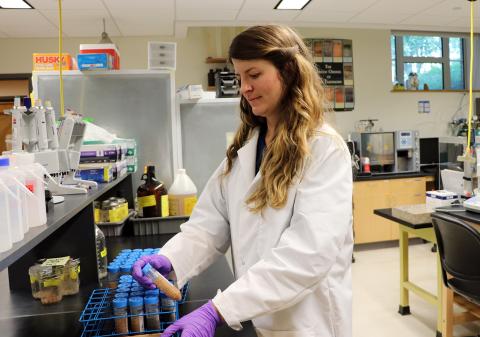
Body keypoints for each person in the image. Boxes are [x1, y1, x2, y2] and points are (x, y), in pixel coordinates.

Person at [132, 25, 353, 337]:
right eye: (240, 78)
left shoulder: (324, 149)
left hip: (307, 323)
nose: (245, 88)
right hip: (256, 314)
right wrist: (170, 259)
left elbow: (307, 255)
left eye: (254, 74)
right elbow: (208, 225)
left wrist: (217, 310)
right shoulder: (246, 148)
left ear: (288, 72)